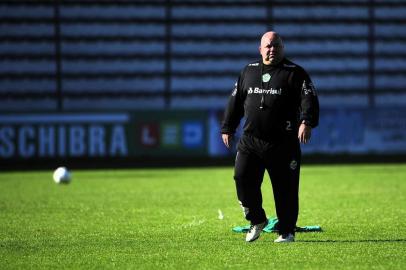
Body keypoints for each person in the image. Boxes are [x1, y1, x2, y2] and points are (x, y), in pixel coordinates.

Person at [221, 31, 319, 243]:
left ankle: (286, 231)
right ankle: (257, 220)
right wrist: (227, 127)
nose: (272, 49)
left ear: (283, 49)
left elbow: (308, 98)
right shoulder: (248, 71)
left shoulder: (295, 72)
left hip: (283, 143)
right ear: (260, 49)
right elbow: (235, 101)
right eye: (268, 46)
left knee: (286, 189)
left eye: (277, 46)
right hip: (250, 141)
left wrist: (306, 121)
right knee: (242, 178)